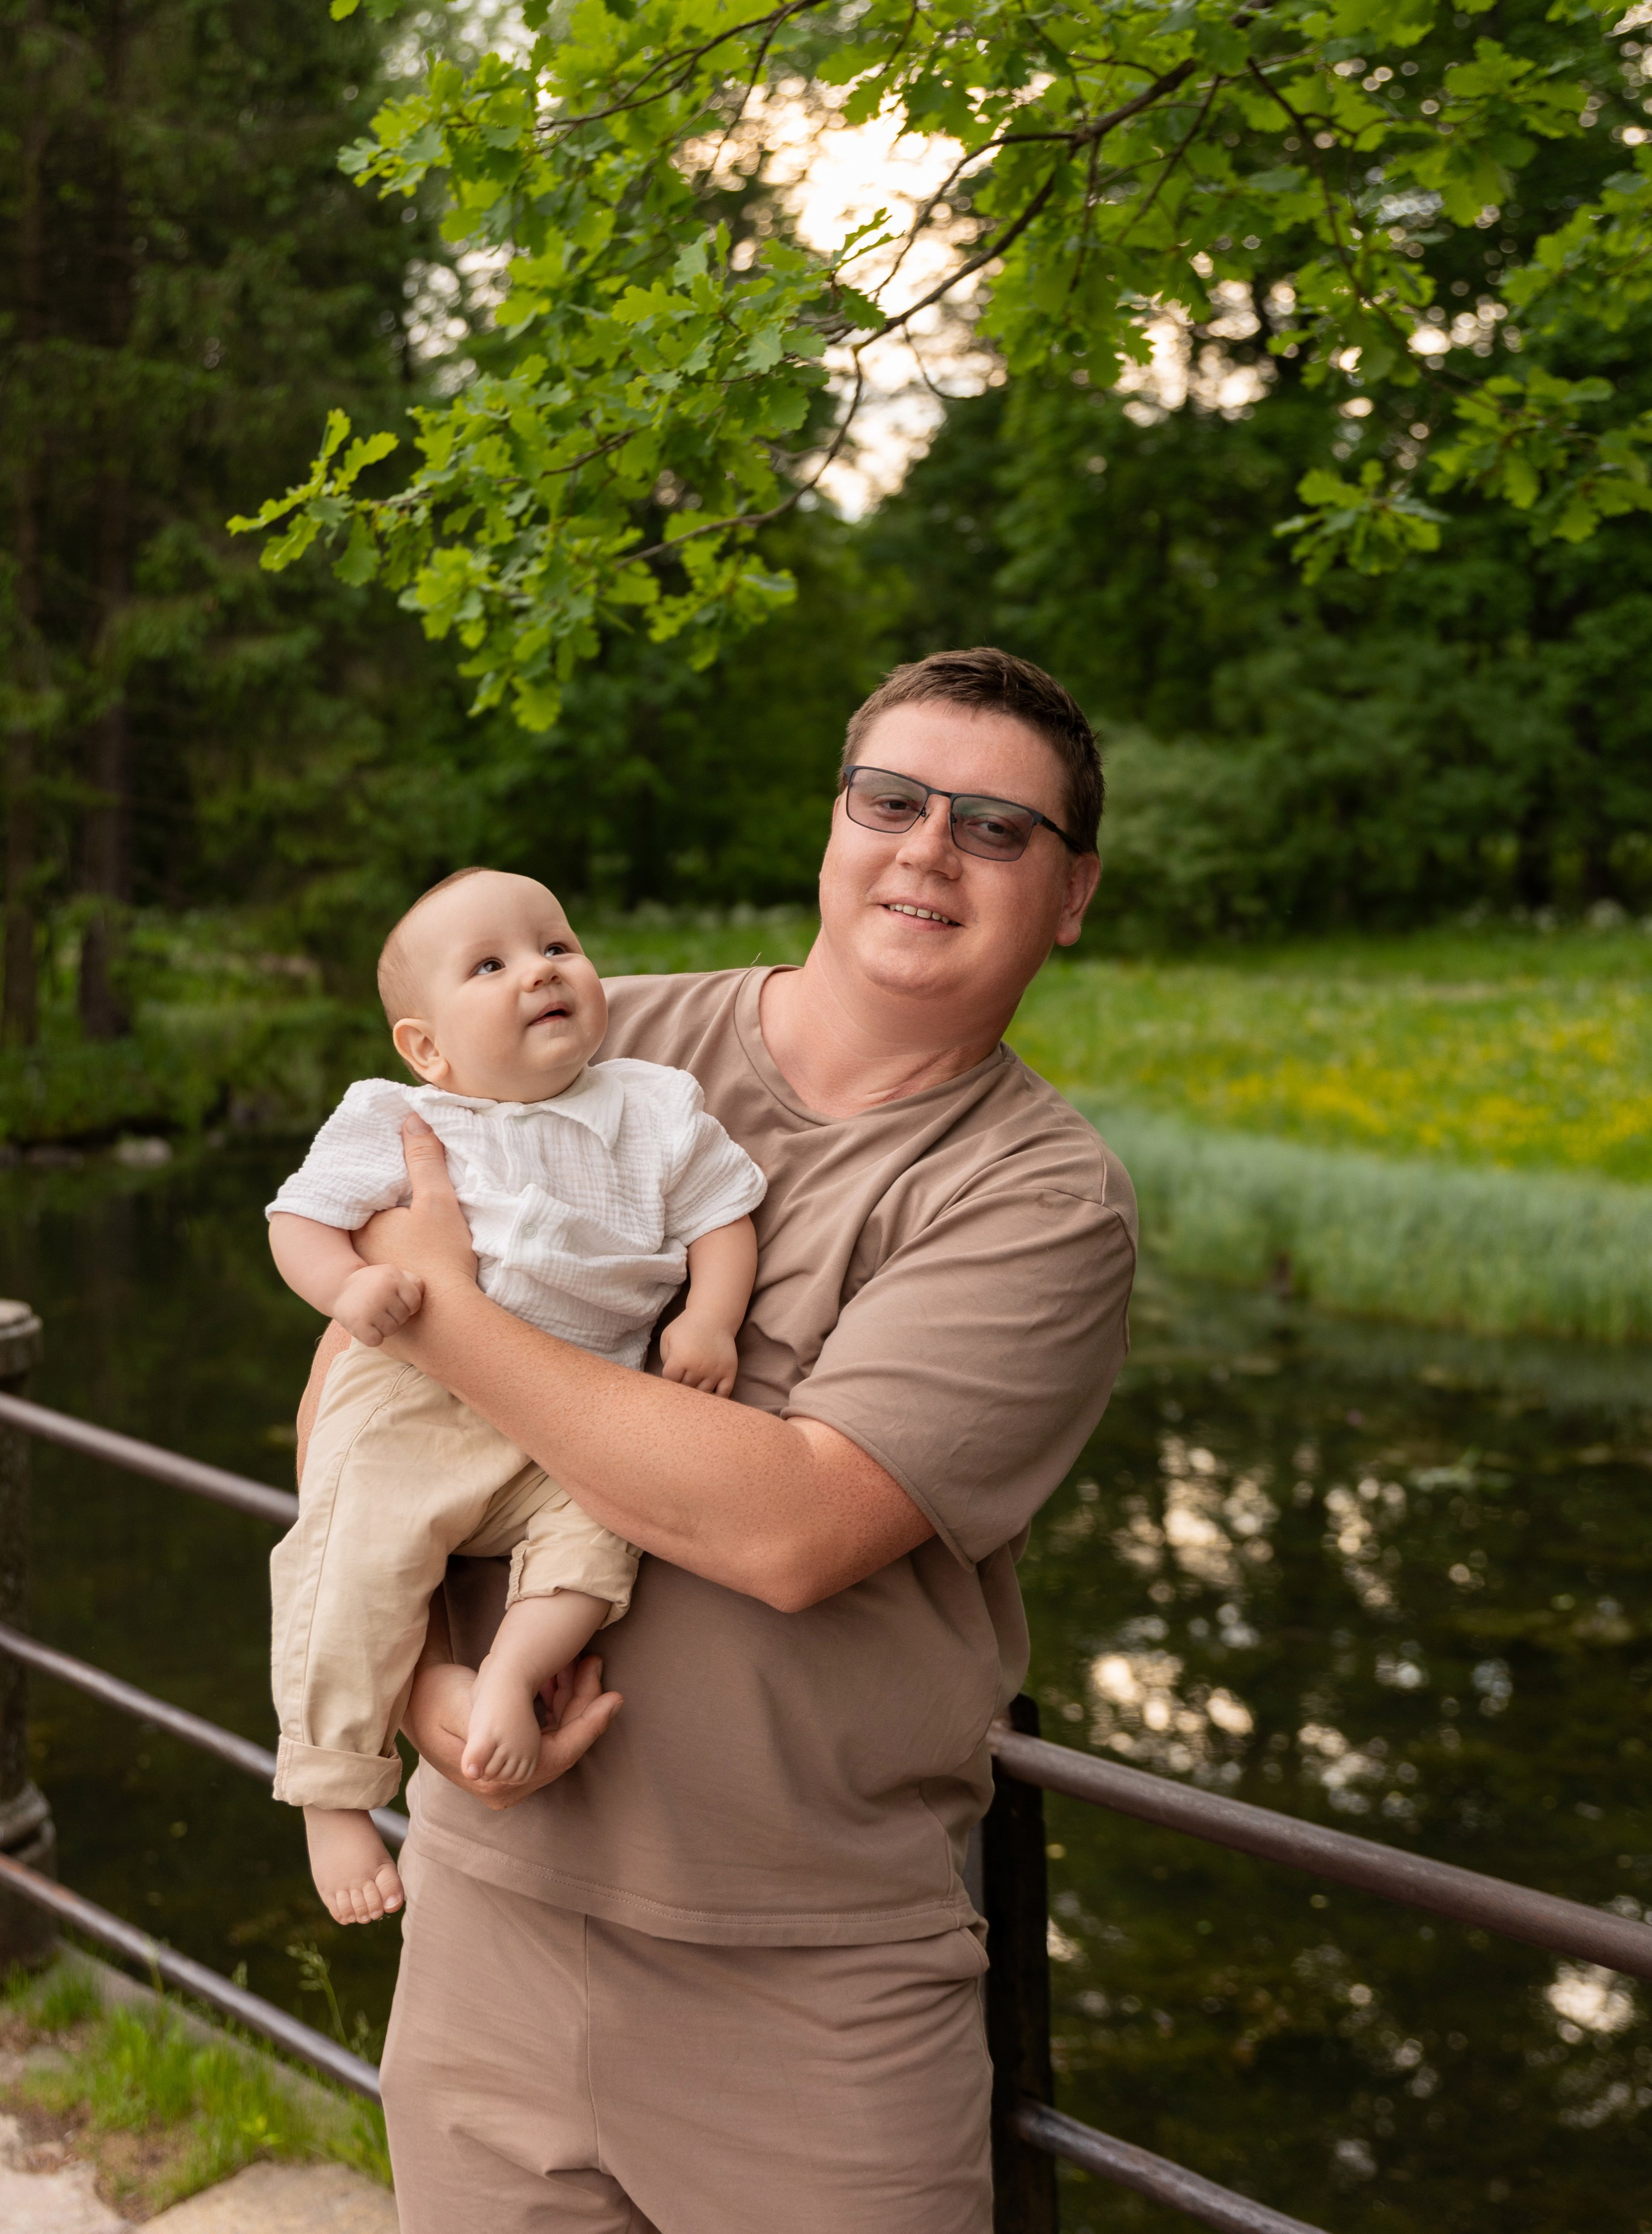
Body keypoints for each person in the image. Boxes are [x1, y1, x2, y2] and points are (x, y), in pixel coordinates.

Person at [298, 647, 1137, 2234]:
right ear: (833, 824)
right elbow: (353, 1393)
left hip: (806, 1983)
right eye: (889, 800)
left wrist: (450, 1311)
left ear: (1070, 894)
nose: (927, 849)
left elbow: (790, 1527)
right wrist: (421, 1690)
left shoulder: (1038, 1197)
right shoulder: (594, 1030)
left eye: (993, 827)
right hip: (481, 1909)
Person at [265, 865, 765, 1924]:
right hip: (419, 1400)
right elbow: (298, 1219)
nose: (539, 971)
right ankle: (333, 1789)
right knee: (350, 1552)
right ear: (427, 1047)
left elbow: (723, 1215)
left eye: (556, 946)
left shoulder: (654, 1105)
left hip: (580, 1412)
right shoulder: (405, 1116)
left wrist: (710, 1318)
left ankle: (512, 1669)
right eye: (489, 966)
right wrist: (346, 1285)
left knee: (607, 1532)